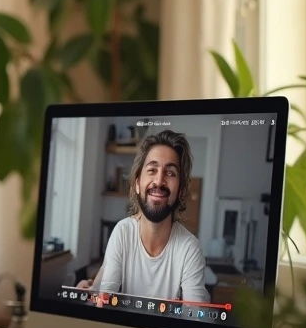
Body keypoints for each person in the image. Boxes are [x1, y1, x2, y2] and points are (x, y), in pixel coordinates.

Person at [77, 129, 208, 304]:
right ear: (138, 184)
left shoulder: (189, 249)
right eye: (152, 170)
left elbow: (196, 318)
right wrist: (90, 296)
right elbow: (103, 300)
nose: (159, 181)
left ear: (180, 190)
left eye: (170, 173)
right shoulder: (122, 233)